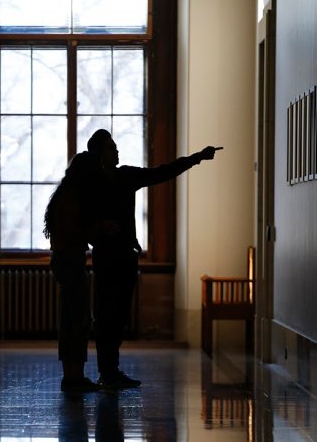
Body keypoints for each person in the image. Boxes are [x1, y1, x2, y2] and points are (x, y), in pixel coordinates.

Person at [84, 129, 222, 389]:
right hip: (111, 257)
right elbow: (82, 219)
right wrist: (99, 229)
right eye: (111, 147)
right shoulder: (99, 182)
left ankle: (110, 370)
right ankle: (108, 371)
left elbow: (161, 172)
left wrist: (196, 158)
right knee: (107, 315)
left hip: (120, 256)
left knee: (116, 314)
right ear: (100, 154)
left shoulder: (120, 176)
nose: (117, 151)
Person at [43, 152, 100, 392]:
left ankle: (73, 375)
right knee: (76, 319)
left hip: (65, 261)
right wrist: (97, 230)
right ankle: (73, 377)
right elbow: (72, 233)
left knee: (74, 318)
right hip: (70, 261)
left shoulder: (65, 194)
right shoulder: (72, 198)